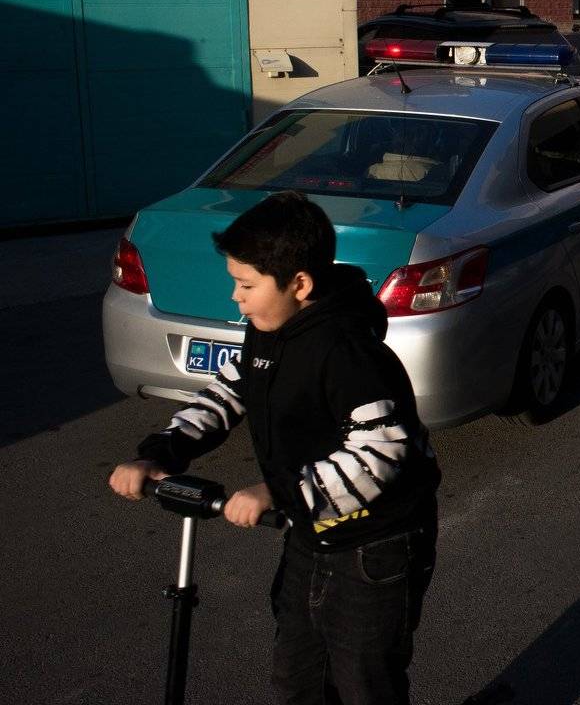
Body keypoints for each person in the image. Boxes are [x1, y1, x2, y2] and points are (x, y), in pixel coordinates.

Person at [108, 192, 441, 703]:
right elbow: (228, 392)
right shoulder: (267, 332)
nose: (235, 298)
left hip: (377, 545)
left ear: (300, 284)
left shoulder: (349, 352)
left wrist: (278, 491)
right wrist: (161, 452)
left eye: (245, 285)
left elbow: (381, 450)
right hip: (311, 534)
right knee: (296, 676)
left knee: (364, 682)